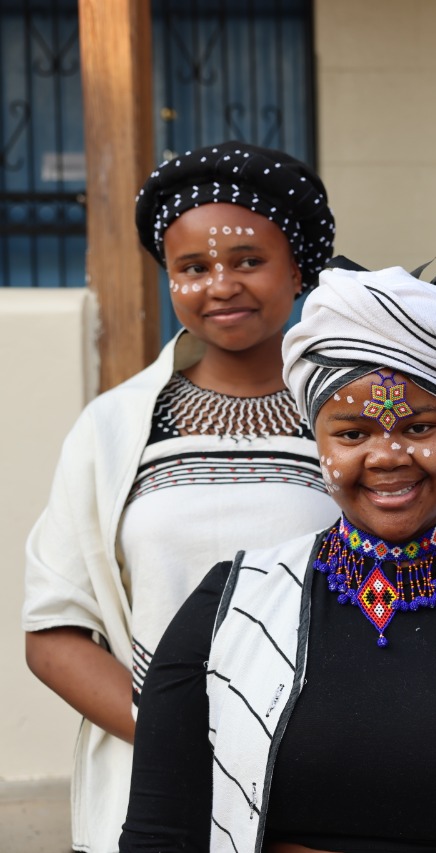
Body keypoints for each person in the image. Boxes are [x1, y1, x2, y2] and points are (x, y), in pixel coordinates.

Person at [118, 265, 436, 853]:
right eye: (352, 434)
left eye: (420, 427)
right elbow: (159, 835)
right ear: (316, 438)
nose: (388, 457)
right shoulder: (229, 610)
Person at [23, 142, 338, 853]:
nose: (220, 284)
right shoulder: (113, 428)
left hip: (320, 788)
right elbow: (53, 631)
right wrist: (182, 740)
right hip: (153, 791)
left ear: (297, 269)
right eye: (193, 268)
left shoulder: (351, 421)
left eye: (249, 261)